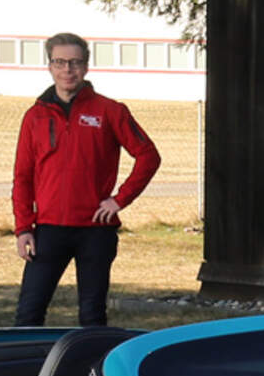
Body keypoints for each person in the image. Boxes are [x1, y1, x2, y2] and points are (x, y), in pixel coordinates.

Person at [11, 33, 161, 327]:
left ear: (87, 66)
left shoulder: (110, 111)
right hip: (48, 230)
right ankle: (27, 371)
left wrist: (120, 199)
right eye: (60, 62)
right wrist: (22, 228)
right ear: (50, 66)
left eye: (75, 62)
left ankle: (89, 372)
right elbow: (22, 176)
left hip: (95, 230)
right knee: (28, 313)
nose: (68, 69)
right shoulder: (35, 116)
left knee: (92, 316)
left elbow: (148, 156)